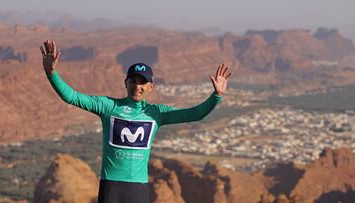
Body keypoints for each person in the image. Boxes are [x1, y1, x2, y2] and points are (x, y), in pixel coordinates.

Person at [40, 40, 232, 203]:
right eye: (132, 81)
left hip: (138, 188)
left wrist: (217, 95)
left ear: (151, 86)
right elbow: (71, 97)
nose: (137, 86)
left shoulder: (157, 113)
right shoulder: (108, 106)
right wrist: (51, 73)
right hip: (111, 187)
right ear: (126, 83)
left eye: (142, 82)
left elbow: (195, 113)